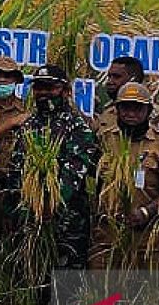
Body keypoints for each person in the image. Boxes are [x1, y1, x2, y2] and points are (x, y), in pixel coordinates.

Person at [6, 63, 100, 269]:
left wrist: (49, 205)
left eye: (50, 88)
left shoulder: (77, 126)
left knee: (66, 288)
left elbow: (73, 174)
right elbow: (17, 169)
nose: (43, 93)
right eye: (39, 87)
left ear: (65, 91)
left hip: (66, 223)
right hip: (29, 222)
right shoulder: (29, 125)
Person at [89, 81, 159, 270]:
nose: (131, 114)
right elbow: (90, 183)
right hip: (107, 238)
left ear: (148, 111)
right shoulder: (102, 139)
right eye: (126, 108)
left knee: (147, 297)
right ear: (117, 110)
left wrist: (147, 212)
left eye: (138, 108)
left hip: (149, 242)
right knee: (104, 295)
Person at [91, 56, 159, 134]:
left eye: (116, 77)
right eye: (109, 77)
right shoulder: (107, 112)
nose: (109, 82)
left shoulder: (153, 114)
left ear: (133, 79)